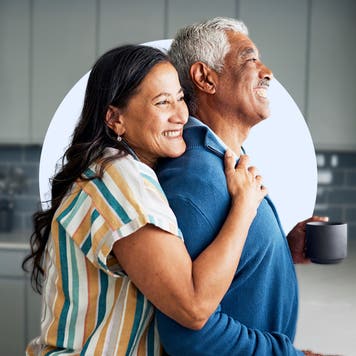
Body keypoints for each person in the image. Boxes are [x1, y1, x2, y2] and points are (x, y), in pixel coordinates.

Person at [23, 44, 268, 355]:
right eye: (162, 102)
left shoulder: (120, 171)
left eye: (180, 97)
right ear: (115, 119)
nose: (181, 114)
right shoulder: (120, 179)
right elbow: (194, 306)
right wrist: (244, 207)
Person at [155, 17, 328, 356]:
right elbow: (191, 338)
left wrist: (281, 248)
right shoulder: (196, 180)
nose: (267, 72)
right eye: (250, 59)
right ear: (205, 78)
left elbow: (225, 265)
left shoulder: (225, 160)